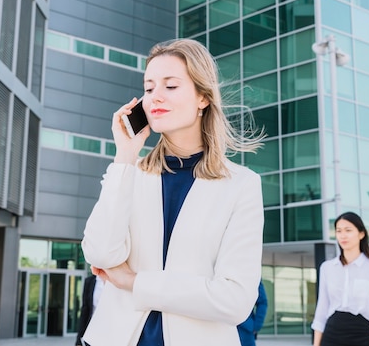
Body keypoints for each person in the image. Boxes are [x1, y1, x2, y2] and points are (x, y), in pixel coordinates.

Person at [81, 38, 265, 346]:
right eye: (149, 87)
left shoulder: (241, 184)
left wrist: (135, 282)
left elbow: (235, 300)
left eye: (171, 86)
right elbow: (100, 254)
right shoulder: (130, 172)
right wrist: (125, 156)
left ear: (203, 97)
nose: (155, 97)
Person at [311, 212, 369, 346]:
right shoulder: (327, 268)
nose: (343, 235)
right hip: (331, 335)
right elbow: (321, 310)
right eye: (338, 231)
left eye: (348, 230)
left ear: (361, 234)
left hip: (362, 335)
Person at [76, 274, 105, 346]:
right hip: (92, 330)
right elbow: (85, 311)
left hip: (109, 331)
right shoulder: (89, 281)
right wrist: (79, 339)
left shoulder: (115, 281)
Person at [237, 280, 268, 346]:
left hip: (245, 329)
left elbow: (262, 302)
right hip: (220, 326)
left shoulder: (250, 272)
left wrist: (256, 325)